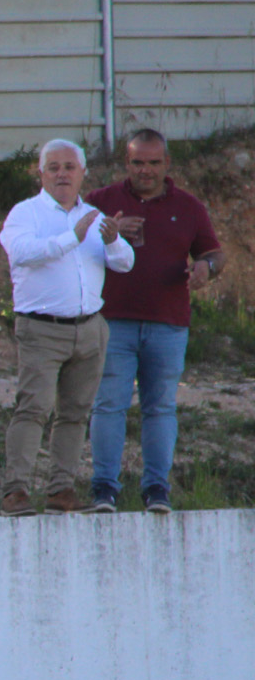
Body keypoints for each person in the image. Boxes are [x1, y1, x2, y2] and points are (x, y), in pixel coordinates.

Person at [85, 129, 223, 513]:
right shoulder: (100, 201)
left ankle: (157, 489)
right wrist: (108, 235)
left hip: (168, 323)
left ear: (167, 164)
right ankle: (104, 490)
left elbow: (214, 253)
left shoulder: (189, 206)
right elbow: (73, 245)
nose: (145, 170)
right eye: (137, 162)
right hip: (112, 321)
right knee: (108, 404)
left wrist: (206, 268)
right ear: (126, 163)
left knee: (160, 407)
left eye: (153, 162)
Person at [0, 139, 134, 516]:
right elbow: (23, 252)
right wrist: (71, 238)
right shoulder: (25, 214)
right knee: (33, 408)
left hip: (89, 328)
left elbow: (123, 263)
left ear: (82, 173)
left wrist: (114, 241)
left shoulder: (93, 216)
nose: (62, 174)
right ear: (40, 174)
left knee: (75, 413)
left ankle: (61, 491)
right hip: (42, 328)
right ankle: (15, 492)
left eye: (69, 167)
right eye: (53, 167)